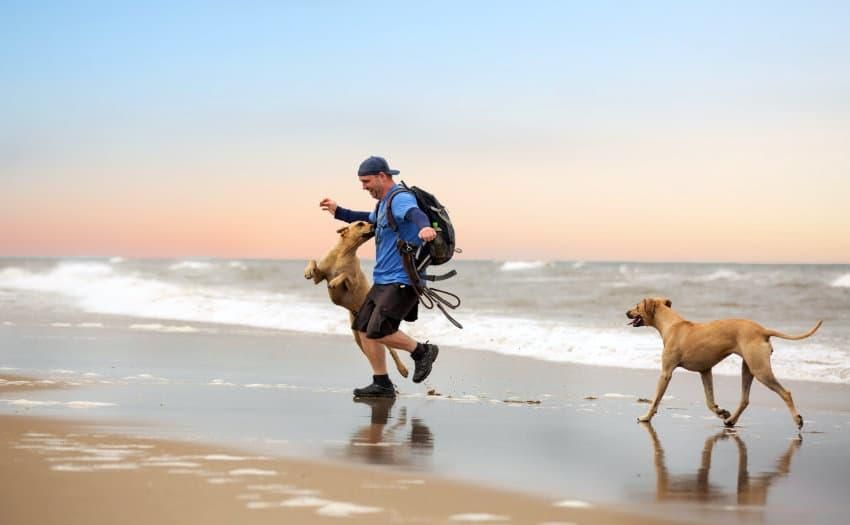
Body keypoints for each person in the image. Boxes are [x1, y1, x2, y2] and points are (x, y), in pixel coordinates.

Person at [319, 155, 440, 398]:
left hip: (403, 280)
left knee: (379, 329)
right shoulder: (382, 205)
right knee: (362, 326)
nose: (364, 186)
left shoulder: (400, 198)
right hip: (384, 279)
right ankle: (381, 383)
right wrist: (338, 211)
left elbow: (415, 214)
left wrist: (425, 227)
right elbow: (366, 218)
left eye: (366, 181)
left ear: (382, 176)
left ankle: (422, 352)